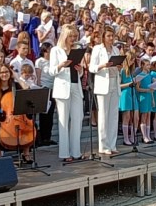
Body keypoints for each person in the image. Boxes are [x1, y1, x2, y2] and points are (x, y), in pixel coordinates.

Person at [48, 25, 84, 163]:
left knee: (77, 118)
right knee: (63, 120)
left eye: (75, 36)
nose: (73, 39)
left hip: (75, 85)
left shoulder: (76, 50)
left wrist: (80, 70)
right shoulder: (56, 50)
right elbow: (51, 71)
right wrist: (61, 65)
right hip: (62, 87)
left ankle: (76, 151)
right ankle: (64, 153)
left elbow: (79, 73)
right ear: (64, 36)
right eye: (70, 36)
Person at [88, 27, 121, 155]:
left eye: (112, 36)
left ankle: (112, 144)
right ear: (103, 37)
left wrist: (118, 66)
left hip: (114, 81)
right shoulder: (97, 49)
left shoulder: (116, 49)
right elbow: (91, 68)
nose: (111, 38)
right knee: (103, 115)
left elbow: (118, 67)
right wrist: (103, 65)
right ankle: (103, 145)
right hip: (103, 83)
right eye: (108, 36)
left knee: (113, 115)